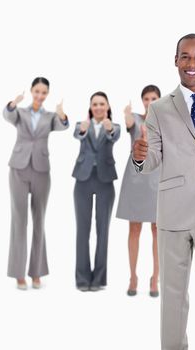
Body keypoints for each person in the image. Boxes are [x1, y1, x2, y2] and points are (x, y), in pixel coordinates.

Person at [133, 34, 195, 350]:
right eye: (185, 57)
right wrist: (139, 156)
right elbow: (153, 159)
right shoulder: (160, 108)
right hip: (174, 214)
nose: (192, 64)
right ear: (176, 61)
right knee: (173, 303)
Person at [3, 77, 69, 290]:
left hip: (41, 170)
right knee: (19, 221)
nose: (40, 95)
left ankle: (37, 273)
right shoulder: (20, 113)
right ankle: (18, 274)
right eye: (37, 91)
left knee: (39, 221)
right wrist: (14, 102)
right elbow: (7, 115)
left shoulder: (50, 117)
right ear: (32, 91)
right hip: (18, 169)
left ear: (47, 94)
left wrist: (61, 113)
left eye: (44, 92)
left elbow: (62, 126)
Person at [72, 91, 120, 292]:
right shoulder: (81, 125)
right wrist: (83, 130)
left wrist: (108, 130)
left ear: (107, 106)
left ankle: (99, 279)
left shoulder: (114, 127)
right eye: (95, 104)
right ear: (90, 107)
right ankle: (82, 279)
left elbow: (114, 136)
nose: (98, 107)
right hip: (83, 180)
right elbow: (77, 134)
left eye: (102, 104)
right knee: (82, 231)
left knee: (103, 231)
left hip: (105, 180)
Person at [116, 85, 161, 297]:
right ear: (142, 101)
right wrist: (126, 113)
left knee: (157, 230)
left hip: (158, 178)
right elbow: (129, 123)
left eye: (154, 98)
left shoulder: (165, 122)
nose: (150, 101)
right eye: (146, 98)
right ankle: (133, 276)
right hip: (136, 178)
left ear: (160, 100)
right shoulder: (135, 118)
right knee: (134, 229)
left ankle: (155, 278)